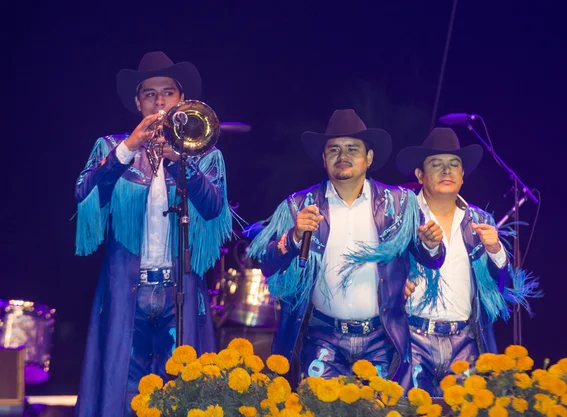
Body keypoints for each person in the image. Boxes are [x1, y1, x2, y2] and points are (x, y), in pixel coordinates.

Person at [73, 51, 233, 416]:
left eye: (167, 93)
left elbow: (213, 208)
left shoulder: (204, 152)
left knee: (182, 392)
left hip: (181, 290)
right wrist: (127, 148)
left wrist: (182, 164)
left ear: (181, 100)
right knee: (122, 392)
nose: (159, 101)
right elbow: (84, 194)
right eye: (150, 94)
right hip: (127, 288)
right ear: (137, 101)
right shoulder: (111, 146)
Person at [246, 109, 445, 386]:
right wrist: (293, 237)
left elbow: (432, 259)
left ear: (369, 158)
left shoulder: (400, 203)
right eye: (334, 149)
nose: (343, 155)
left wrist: (432, 246)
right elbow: (266, 262)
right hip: (323, 336)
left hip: (382, 338)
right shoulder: (298, 205)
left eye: (353, 148)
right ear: (324, 159)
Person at [396, 127, 536, 395]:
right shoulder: (401, 216)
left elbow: (504, 289)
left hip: (466, 341)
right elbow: (378, 271)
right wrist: (395, 284)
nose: (447, 171)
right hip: (412, 338)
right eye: (437, 164)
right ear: (420, 175)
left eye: (454, 165)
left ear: (462, 176)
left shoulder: (481, 220)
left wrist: (496, 250)